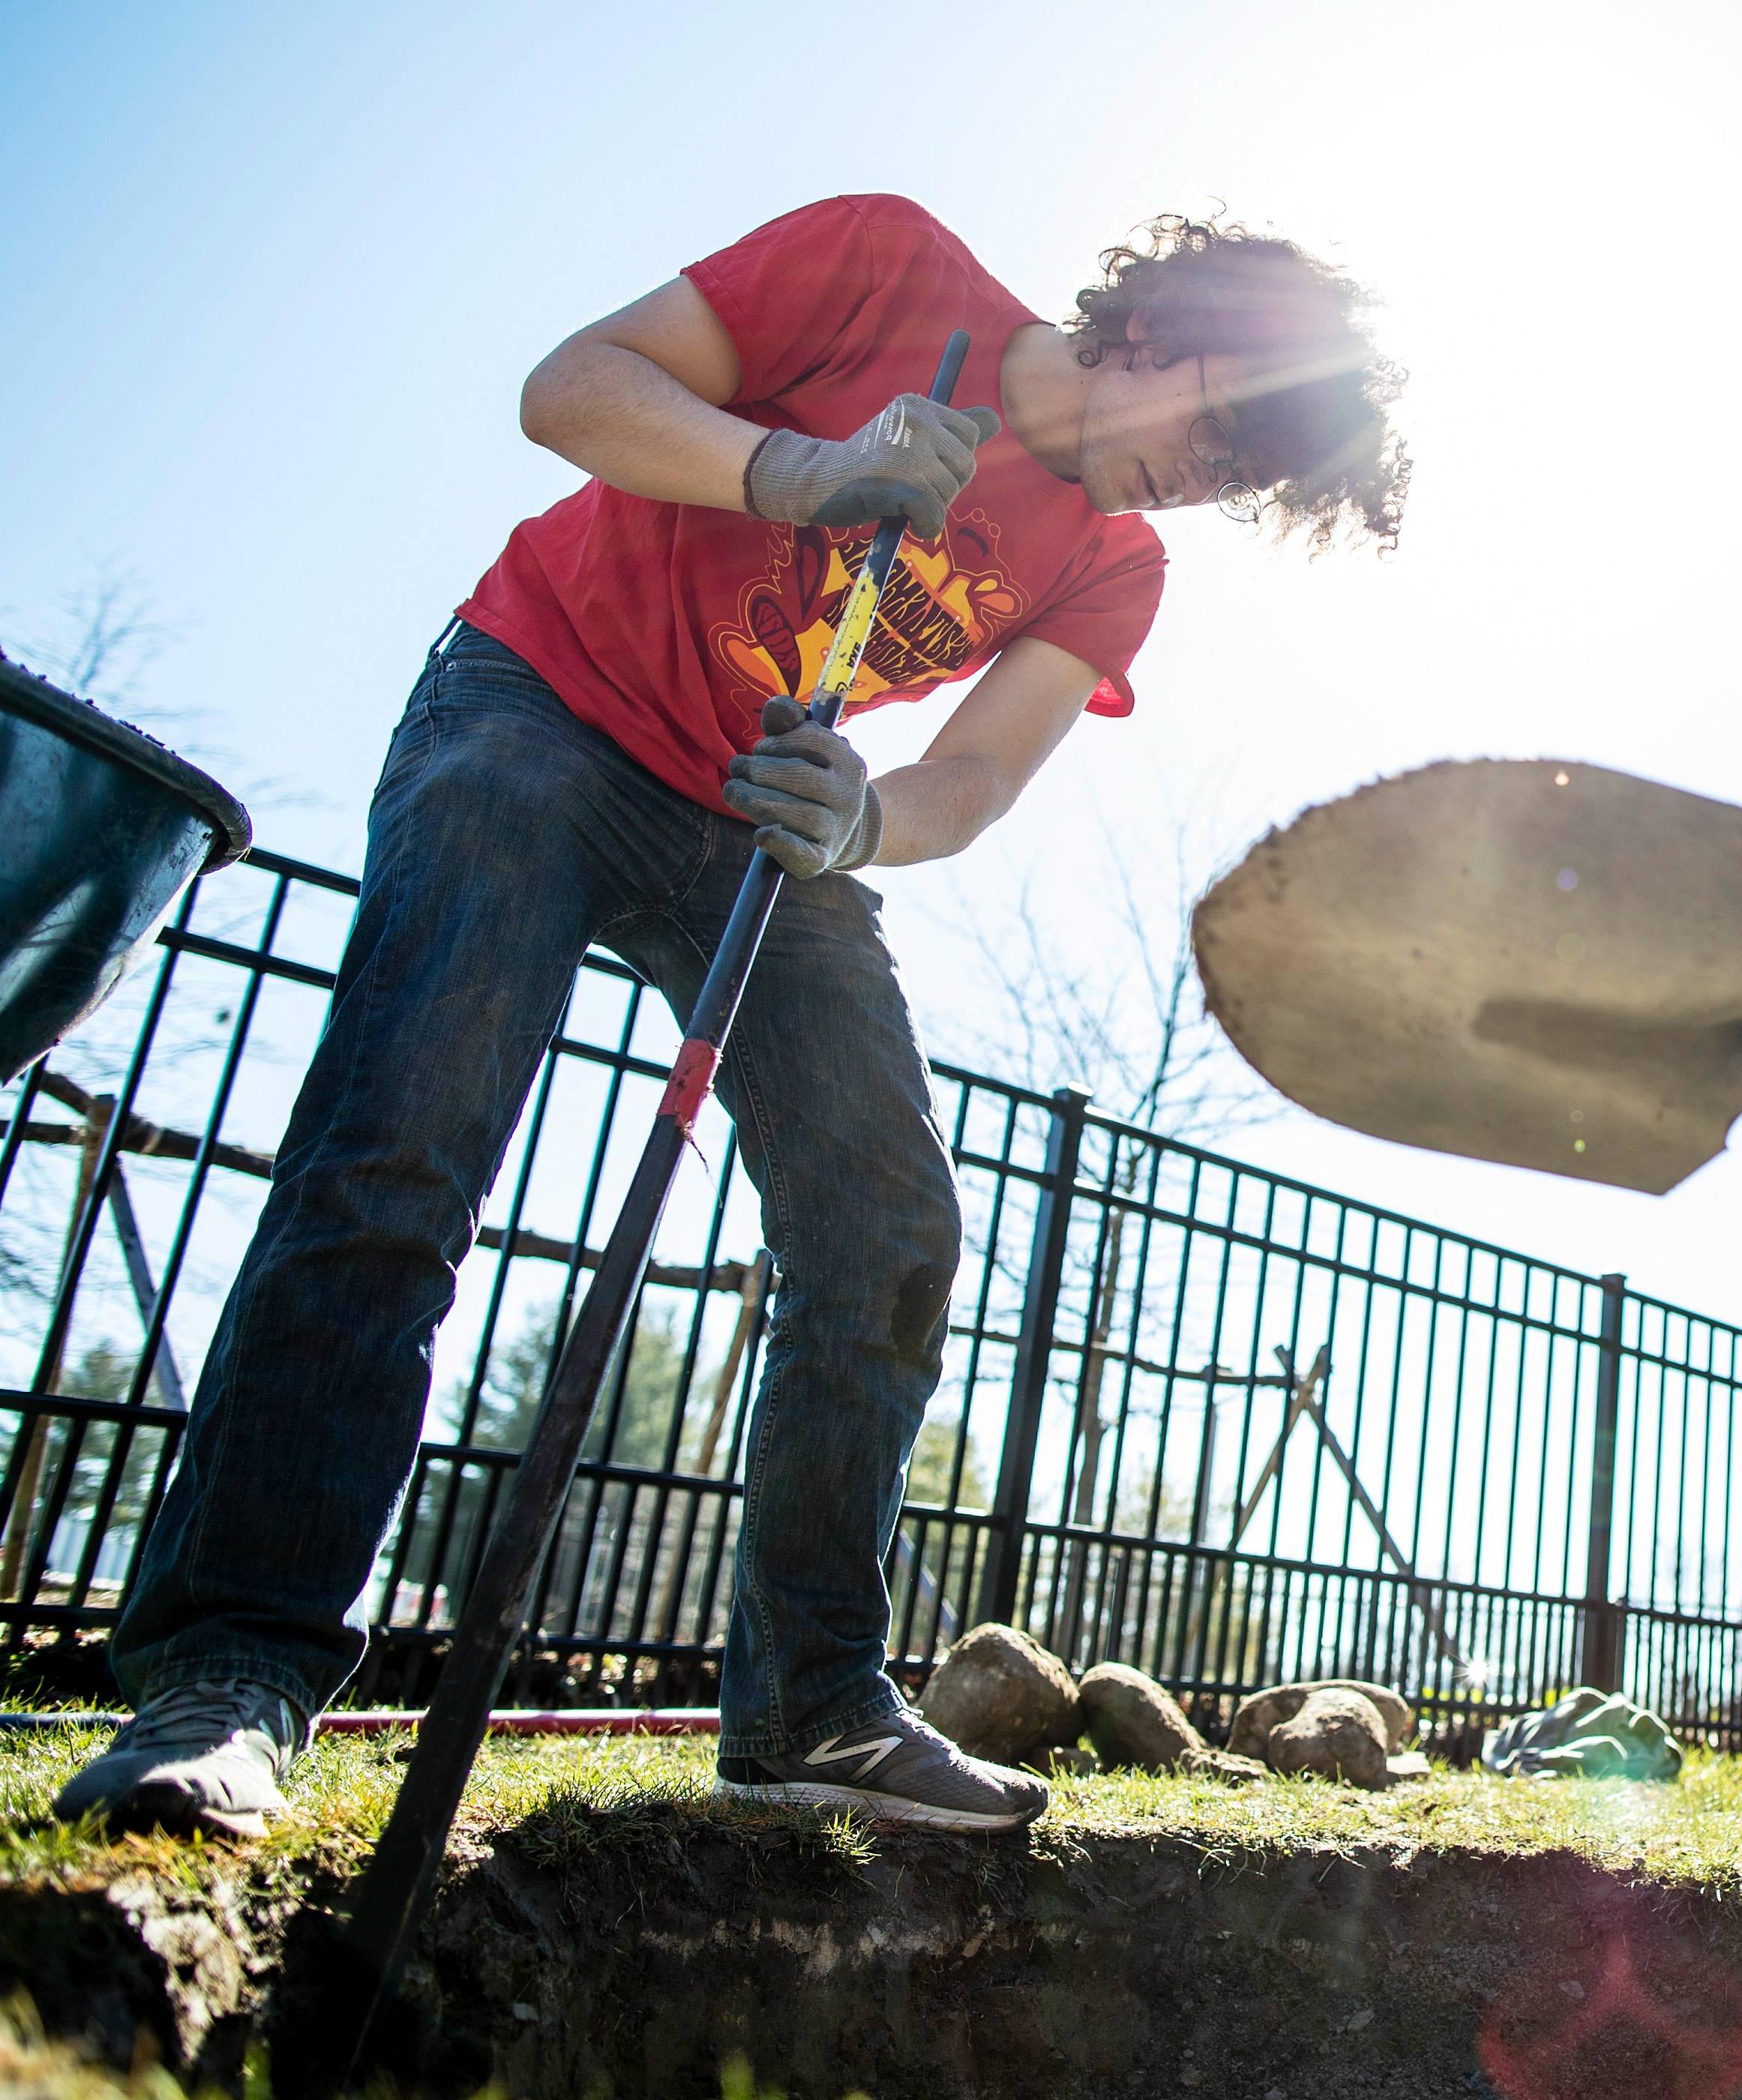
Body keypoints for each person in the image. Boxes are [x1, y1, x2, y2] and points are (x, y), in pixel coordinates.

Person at [54, 195, 1408, 1838]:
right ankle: (232, 1671)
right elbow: (571, 388)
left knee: (888, 1221)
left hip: (760, 820)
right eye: (1223, 427)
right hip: (540, 701)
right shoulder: (890, 266)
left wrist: (861, 821)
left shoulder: (1115, 563)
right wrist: (798, 470)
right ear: (1167, 320)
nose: (1207, 479)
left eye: (1251, 474)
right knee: (404, 1144)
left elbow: (970, 780)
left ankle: (814, 1703)